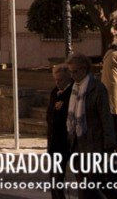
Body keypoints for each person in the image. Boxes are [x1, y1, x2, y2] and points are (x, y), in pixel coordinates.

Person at [66, 52, 116, 196]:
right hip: (77, 143)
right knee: (83, 183)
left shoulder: (97, 88)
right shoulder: (74, 89)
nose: (73, 75)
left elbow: (105, 116)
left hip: (94, 143)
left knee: (96, 183)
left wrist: (109, 142)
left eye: (76, 71)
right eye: (71, 72)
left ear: (84, 69)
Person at [46, 63, 72, 199]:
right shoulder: (54, 92)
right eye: (56, 79)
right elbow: (49, 114)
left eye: (61, 80)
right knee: (55, 178)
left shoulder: (71, 92)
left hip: (66, 140)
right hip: (54, 140)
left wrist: (63, 106)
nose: (58, 83)